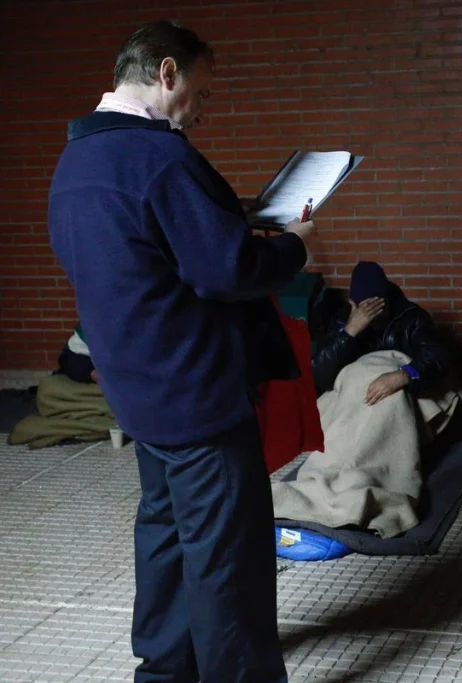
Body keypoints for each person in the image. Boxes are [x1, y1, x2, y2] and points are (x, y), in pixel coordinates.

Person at [47, 20, 316, 683]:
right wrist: (293, 245)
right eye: (201, 89)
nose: (203, 105)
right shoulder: (161, 158)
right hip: (199, 396)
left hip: (139, 391)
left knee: (165, 540)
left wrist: (230, 217)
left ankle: (164, 672)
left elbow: (146, 246)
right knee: (229, 561)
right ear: (167, 73)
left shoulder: (77, 159)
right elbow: (224, 271)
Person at [312, 261, 448, 400]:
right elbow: (320, 376)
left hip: (402, 390)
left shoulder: (412, 318)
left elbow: (436, 361)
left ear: (387, 300)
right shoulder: (342, 319)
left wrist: (404, 376)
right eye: (365, 309)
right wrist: (349, 332)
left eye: (378, 306)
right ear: (354, 306)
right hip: (356, 392)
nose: (372, 315)